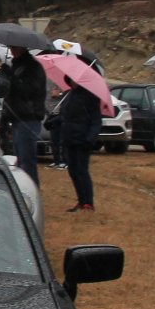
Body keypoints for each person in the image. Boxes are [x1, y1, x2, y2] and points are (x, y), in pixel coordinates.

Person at [0, 46, 47, 183]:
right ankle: (24, 190)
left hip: (28, 120)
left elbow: (30, 91)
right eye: (11, 47)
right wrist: (3, 121)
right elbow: (9, 97)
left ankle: (31, 191)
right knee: (20, 162)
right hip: (16, 120)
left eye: (14, 47)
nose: (12, 49)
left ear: (22, 48)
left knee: (27, 163)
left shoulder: (34, 68)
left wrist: (12, 78)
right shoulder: (16, 66)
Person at [57, 77, 102, 212]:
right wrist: (54, 122)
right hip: (69, 139)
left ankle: (88, 202)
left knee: (82, 171)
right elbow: (65, 116)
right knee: (73, 171)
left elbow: (96, 120)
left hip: (83, 141)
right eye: (71, 79)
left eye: (76, 80)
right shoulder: (68, 95)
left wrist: (90, 138)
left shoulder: (90, 97)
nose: (73, 82)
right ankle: (81, 200)